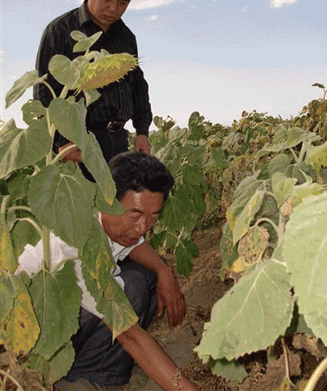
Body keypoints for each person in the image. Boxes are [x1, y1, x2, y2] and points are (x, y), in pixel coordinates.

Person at [18, 152, 200, 391]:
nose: (142, 227)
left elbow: (136, 245)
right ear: (106, 200)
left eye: (153, 217)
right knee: (130, 294)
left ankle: (103, 367)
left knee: (146, 276)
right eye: (135, 214)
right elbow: (131, 337)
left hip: (67, 317)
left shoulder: (104, 218)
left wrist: (163, 270)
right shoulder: (74, 244)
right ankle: (76, 380)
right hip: (31, 337)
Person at [34, 0, 152, 163]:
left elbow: (137, 85)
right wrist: (61, 142)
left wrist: (142, 131)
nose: (113, 8)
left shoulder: (126, 37)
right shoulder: (61, 30)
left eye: (123, 2)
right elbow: (44, 89)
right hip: (77, 142)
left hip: (118, 141)